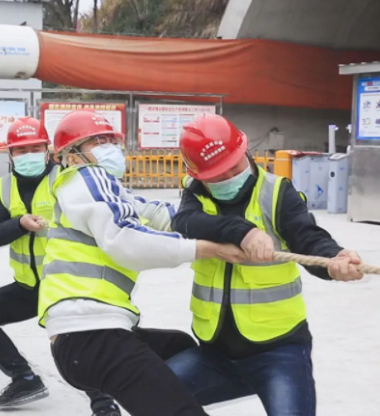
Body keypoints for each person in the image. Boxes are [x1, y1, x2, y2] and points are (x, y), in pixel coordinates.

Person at [39, 109, 244, 416]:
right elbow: (124, 240)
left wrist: (229, 225)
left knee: (180, 349)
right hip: (92, 335)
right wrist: (202, 248)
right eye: (97, 141)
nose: (109, 147)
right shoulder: (87, 177)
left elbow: (160, 214)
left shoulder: (107, 191)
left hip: (82, 342)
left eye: (111, 140)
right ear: (71, 156)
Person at [165, 113, 364, 416]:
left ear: (245, 151)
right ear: (199, 174)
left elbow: (308, 239)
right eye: (217, 174)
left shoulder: (276, 192)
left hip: (279, 352)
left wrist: (333, 260)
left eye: (235, 165)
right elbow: (185, 222)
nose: (229, 176)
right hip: (215, 353)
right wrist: (243, 232)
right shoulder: (195, 191)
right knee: (150, 392)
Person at [0, 117, 120, 414]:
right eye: (21, 150)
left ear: (47, 149)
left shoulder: (67, 179)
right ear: (10, 154)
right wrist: (20, 224)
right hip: (28, 286)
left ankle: (103, 404)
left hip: (64, 284)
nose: (29, 155)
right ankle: (24, 378)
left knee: (71, 342)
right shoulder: (5, 186)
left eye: (35, 148)